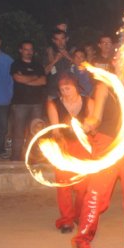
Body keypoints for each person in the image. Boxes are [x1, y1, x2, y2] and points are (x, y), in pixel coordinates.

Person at [72, 56, 124, 248]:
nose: (122, 64)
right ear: (113, 64)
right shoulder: (104, 86)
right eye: (118, 60)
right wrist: (87, 125)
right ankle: (82, 240)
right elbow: (96, 117)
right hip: (107, 144)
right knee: (97, 194)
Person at [47, 73, 93, 233]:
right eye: (62, 89)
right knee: (63, 184)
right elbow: (55, 130)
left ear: (76, 88)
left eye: (68, 88)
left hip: (83, 147)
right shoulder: (53, 104)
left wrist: (86, 132)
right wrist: (61, 142)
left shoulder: (88, 102)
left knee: (82, 185)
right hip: (63, 146)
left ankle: (79, 214)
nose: (65, 92)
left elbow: (93, 125)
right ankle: (66, 219)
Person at [9, 41, 47, 161]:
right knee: (18, 132)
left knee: (35, 132)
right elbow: (17, 78)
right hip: (20, 103)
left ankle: (32, 157)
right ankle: (16, 157)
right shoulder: (16, 64)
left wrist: (26, 79)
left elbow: (43, 81)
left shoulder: (38, 65)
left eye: (30, 49)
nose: (29, 52)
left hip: (37, 103)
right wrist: (35, 77)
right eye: (26, 49)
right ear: (21, 50)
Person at [45, 29, 73, 99]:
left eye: (62, 39)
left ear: (66, 39)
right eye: (57, 39)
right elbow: (44, 72)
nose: (60, 42)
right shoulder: (49, 53)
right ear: (53, 41)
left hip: (71, 92)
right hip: (53, 93)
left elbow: (82, 68)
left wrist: (69, 58)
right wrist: (55, 60)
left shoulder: (73, 52)